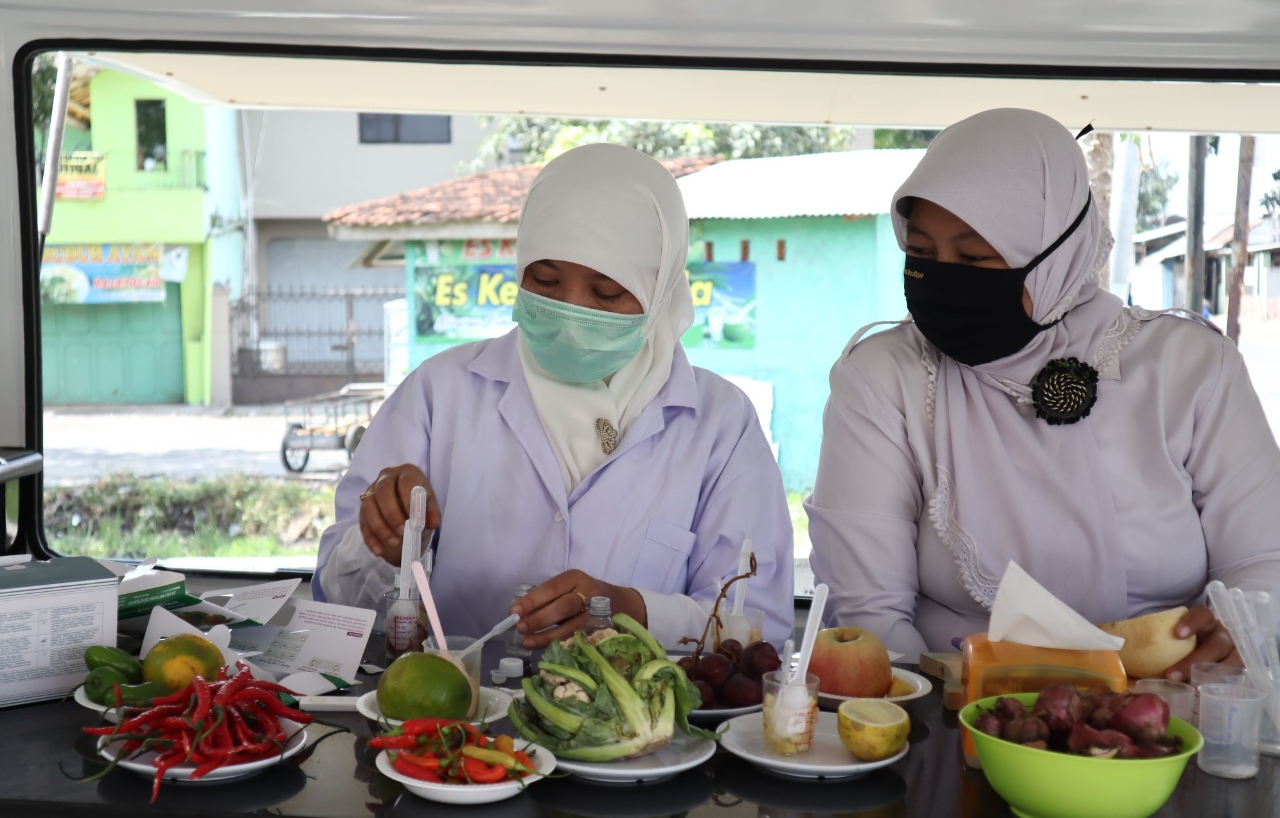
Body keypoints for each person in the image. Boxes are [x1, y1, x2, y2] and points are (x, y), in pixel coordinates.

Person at [807, 108, 1280, 680]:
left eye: (977, 258)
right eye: (923, 255)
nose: (946, 279)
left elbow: (1264, 563)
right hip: (956, 715)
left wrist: (1239, 628)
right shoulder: (885, 377)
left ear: (1057, 253)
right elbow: (868, 616)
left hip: (1170, 717)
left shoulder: (1190, 369)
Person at [313, 143, 794, 650]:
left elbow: (760, 628)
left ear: (661, 288)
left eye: (607, 293)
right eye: (544, 281)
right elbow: (335, 604)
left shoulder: (719, 425)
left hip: (640, 728)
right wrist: (381, 544)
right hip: (458, 719)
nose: (571, 312)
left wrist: (629, 611)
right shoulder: (439, 394)